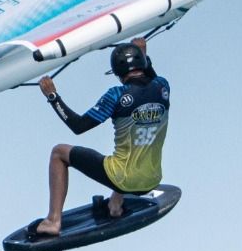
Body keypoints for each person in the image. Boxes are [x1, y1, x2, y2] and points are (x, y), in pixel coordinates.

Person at [33, 40, 170, 238]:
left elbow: (78, 126)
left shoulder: (116, 95)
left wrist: (53, 96)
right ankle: (115, 204)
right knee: (129, 154)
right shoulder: (163, 87)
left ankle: (53, 221)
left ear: (116, 72)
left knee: (59, 152)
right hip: (153, 179)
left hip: (121, 179)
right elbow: (151, 78)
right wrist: (142, 53)